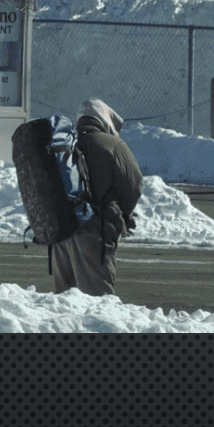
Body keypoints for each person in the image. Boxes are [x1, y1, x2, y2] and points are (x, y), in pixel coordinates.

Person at [52, 99, 143, 297]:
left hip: (60, 232)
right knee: (97, 301)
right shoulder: (112, 144)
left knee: (64, 300)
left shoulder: (63, 143)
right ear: (103, 119)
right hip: (93, 229)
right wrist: (123, 216)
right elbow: (133, 185)